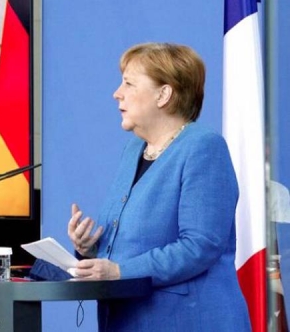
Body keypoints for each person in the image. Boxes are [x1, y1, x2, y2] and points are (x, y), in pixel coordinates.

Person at [67, 42, 251, 331]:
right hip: (127, 319)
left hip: (187, 321)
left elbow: (200, 246)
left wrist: (119, 270)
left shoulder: (204, 147)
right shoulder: (133, 150)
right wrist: (90, 250)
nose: (117, 93)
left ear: (164, 94)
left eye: (128, 83)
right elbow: (135, 243)